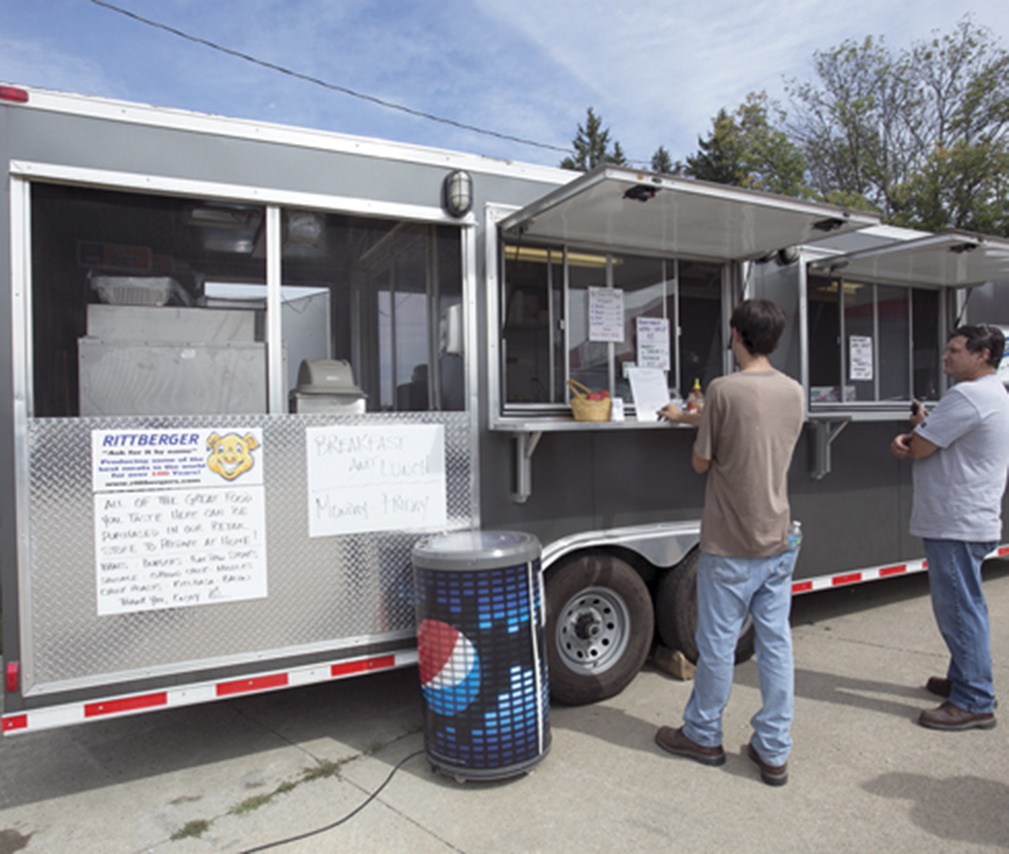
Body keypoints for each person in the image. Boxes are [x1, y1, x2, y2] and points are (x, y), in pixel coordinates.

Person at [654, 298, 804, 786]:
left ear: (735, 333)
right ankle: (773, 749)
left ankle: (702, 733)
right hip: (779, 536)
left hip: (731, 540)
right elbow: (754, 430)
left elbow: (703, 462)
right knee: (775, 644)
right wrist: (685, 417)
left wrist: (690, 423)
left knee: (717, 645)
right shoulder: (792, 390)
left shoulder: (722, 389)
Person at [890, 323, 1009, 731]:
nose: (945, 357)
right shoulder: (995, 394)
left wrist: (910, 438)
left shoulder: (969, 396)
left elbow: (921, 447)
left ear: (982, 356)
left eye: (954, 350)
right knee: (966, 604)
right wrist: (924, 426)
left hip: (956, 521)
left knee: (958, 609)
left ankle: (974, 699)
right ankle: (964, 678)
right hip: (968, 518)